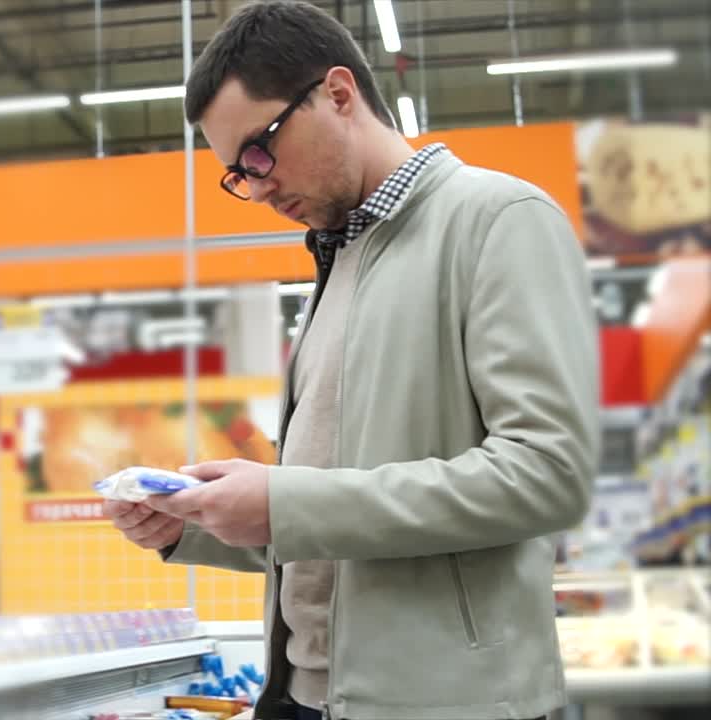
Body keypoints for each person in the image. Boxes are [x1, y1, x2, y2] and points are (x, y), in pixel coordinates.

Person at [103, 2, 600, 719]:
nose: (257, 187)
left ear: (337, 94)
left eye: (259, 151)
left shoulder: (497, 220)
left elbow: (548, 475)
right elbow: (336, 526)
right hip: (306, 696)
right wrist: (197, 523)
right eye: (238, 173)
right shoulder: (339, 259)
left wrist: (283, 501)